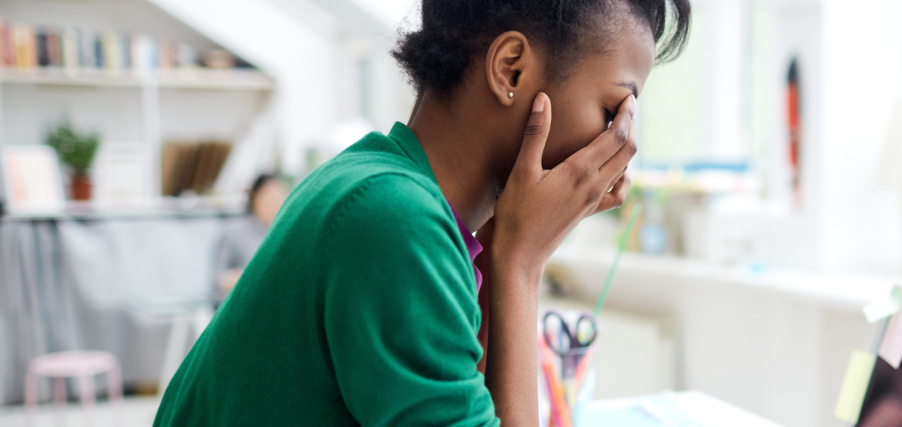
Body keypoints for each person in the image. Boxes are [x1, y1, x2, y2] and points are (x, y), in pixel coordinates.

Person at [153, 0, 690, 425]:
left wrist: (506, 244)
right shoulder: (393, 220)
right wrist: (522, 263)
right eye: (613, 110)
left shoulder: (373, 177)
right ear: (512, 68)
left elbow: (472, 403)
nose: (625, 143)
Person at [211, 174, 287, 307]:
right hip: (242, 307)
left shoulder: (283, 233)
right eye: (269, 200)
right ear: (255, 198)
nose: (274, 206)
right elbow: (218, 281)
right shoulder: (234, 233)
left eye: (278, 200)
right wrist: (249, 276)